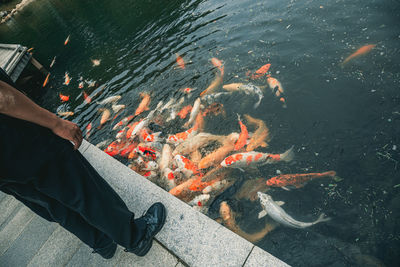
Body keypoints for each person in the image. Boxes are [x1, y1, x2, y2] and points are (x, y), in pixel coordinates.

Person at [0, 68, 166, 259]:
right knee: (79, 188)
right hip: (20, 140)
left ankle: (101, 241)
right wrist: (56, 123)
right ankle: (135, 237)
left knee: (48, 202)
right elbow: (3, 98)